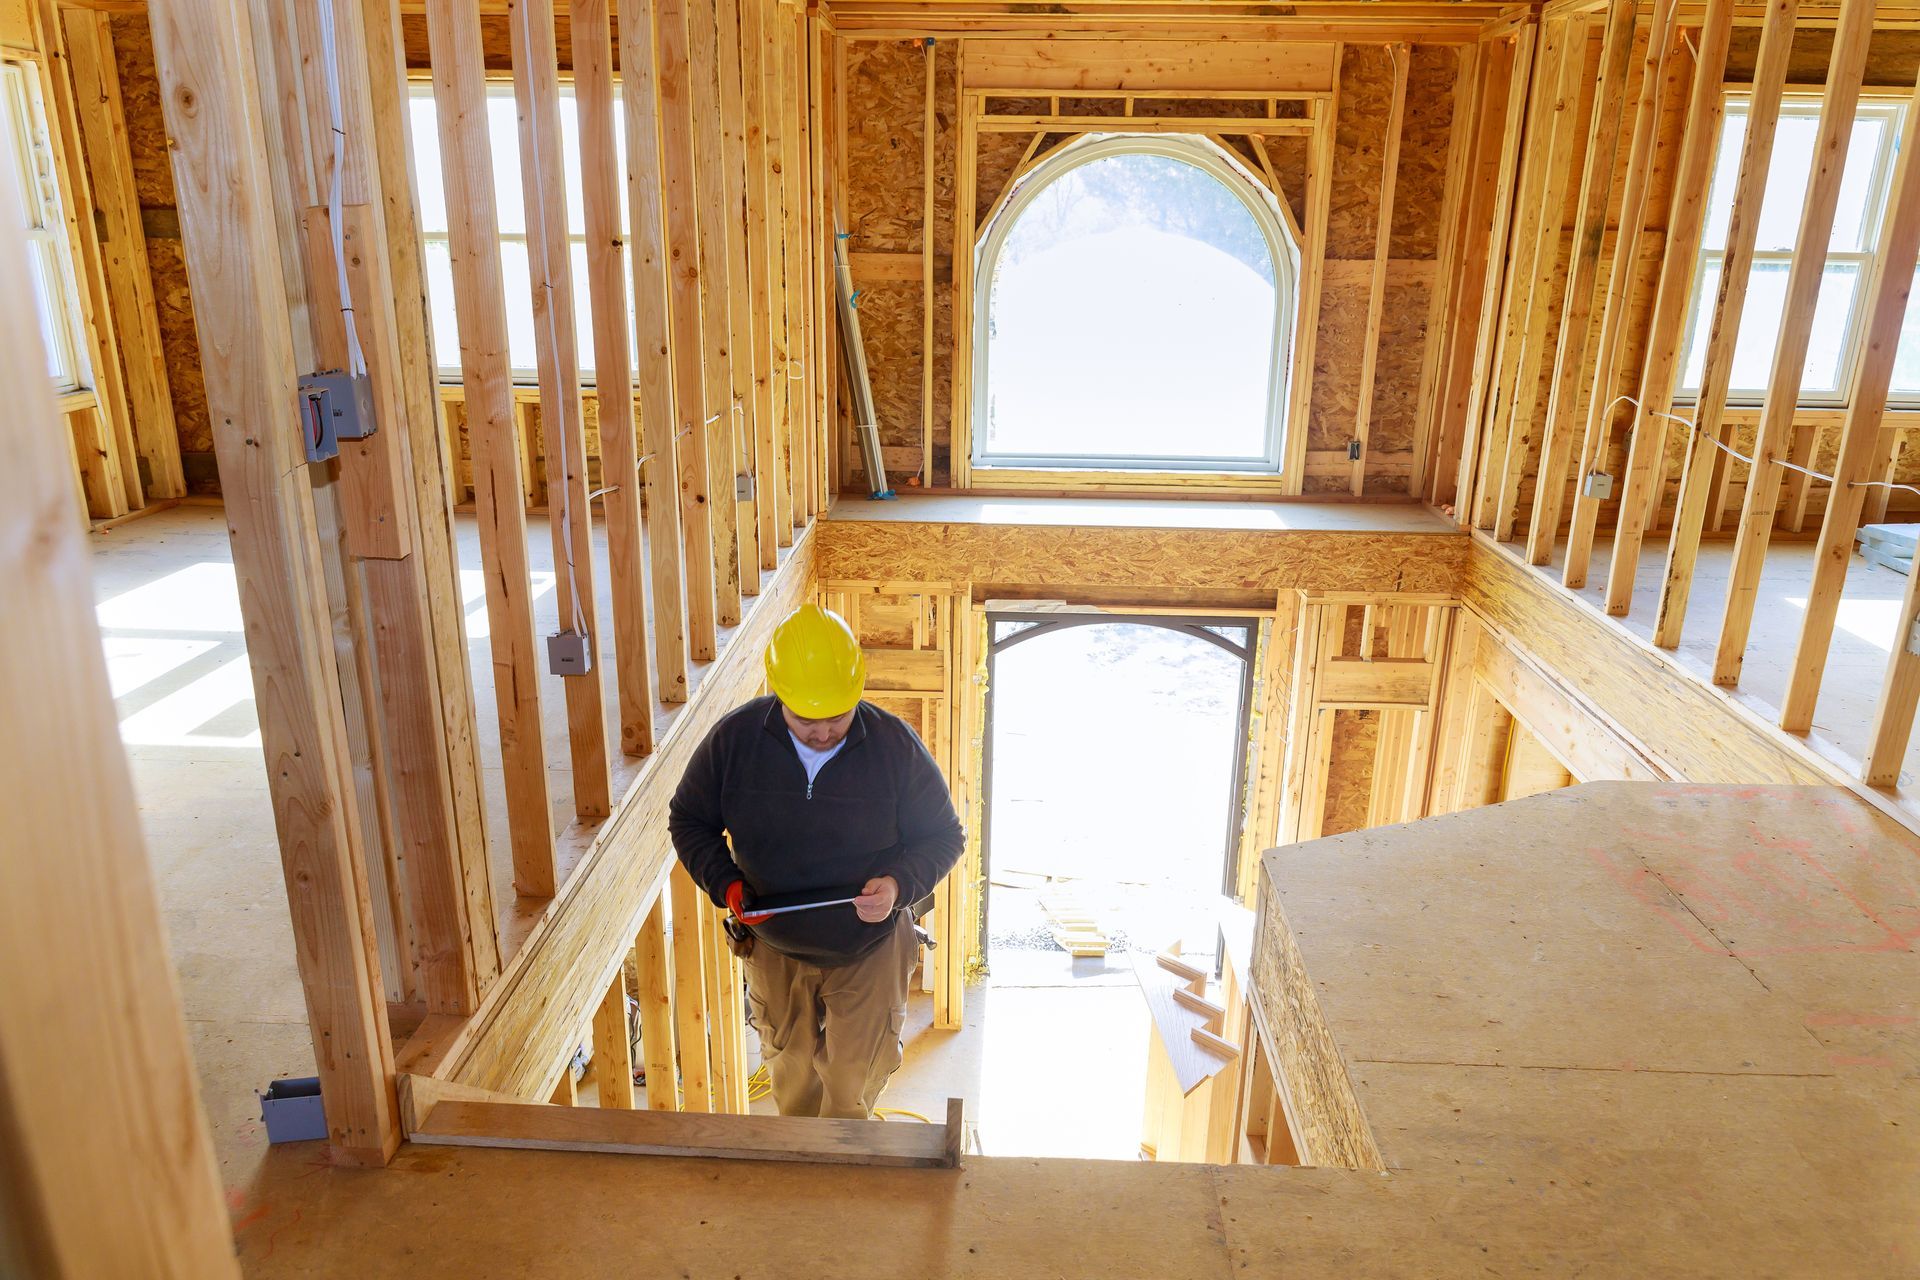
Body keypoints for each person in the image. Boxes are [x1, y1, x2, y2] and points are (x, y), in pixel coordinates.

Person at [668, 603, 964, 1119]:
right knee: (793, 1085)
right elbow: (689, 820)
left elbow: (944, 836)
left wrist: (897, 886)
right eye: (808, 719)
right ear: (780, 696)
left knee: (853, 1088)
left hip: (870, 945)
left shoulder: (894, 747)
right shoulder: (734, 743)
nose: (824, 731)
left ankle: (843, 1185)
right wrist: (728, 887)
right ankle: (803, 1189)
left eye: (838, 716)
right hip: (774, 945)